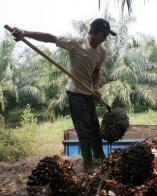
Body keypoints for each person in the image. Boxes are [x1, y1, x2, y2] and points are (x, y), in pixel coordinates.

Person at [11, 18, 117, 171]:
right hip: (75, 92)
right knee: (84, 128)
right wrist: (25, 33)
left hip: (88, 93)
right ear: (94, 32)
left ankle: (99, 156)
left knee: (94, 126)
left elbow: (96, 71)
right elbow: (50, 38)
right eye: (104, 34)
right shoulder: (76, 43)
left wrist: (96, 88)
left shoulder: (102, 51)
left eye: (107, 34)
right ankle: (88, 163)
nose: (106, 37)